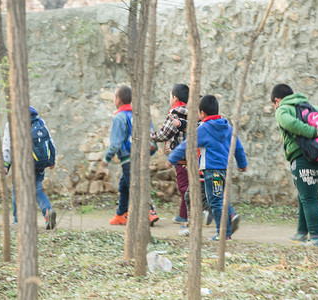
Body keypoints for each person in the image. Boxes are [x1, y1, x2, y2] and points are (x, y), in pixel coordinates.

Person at [168, 95, 247, 240]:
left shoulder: (204, 128)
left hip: (212, 171)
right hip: (225, 171)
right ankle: (227, 223)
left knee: (216, 201)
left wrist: (173, 157)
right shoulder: (227, 126)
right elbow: (238, 147)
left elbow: (188, 144)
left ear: (202, 113)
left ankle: (223, 234)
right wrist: (242, 164)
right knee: (218, 198)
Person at [271, 83, 318, 247]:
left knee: (309, 197)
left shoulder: (282, 109)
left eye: (274, 104)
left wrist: (314, 133)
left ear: (276, 100)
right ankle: (302, 232)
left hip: (303, 158)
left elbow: (290, 124)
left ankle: (316, 238)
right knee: (305, 193)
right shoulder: (310, 107)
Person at [103, 85, 159, 226]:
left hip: (128, 159)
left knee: (135, 187)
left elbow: (115, 143)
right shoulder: (138, 115)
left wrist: (107, 158)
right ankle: (121, 214)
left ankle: (149, 212)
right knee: (124, 185)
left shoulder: (119, 117)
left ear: (118, 100)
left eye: (115, 97)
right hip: (141, 156)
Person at [3, 106, 57, 230]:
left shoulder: (12, 122)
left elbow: (8, 144)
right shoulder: (40, 121)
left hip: (21, 163)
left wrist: (6, 164)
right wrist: (52, 160)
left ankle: (17, 221)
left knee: (16, 190)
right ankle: (48, 212)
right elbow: (50, 141)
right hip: (39, 163)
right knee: (37, 189)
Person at [151, 84, 189, 224]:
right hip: (196, 157)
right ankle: (185, 214)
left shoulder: (175, 112)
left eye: (170, 95)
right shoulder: (195, 112)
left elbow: (163, 134)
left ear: (175, 97)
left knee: (184, 186)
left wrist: (149, 135)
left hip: (182, 159)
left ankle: (185, 215)